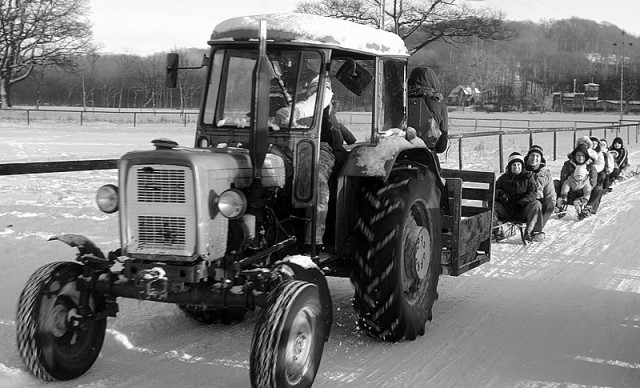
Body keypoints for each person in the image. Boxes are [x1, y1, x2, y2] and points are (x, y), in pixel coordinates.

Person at [276, 76, 355, 253]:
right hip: (291, 147)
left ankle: (313, 241)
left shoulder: (322, 97)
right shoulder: (288, 96)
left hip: (319, 148)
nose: (314, 92)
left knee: (317, 182)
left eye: (316, 89)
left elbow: (315, 103)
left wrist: (291, 113)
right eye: (311, 89)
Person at [494, 152, 542, 242]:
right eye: (514, 165)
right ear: (510, 166)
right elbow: (495, 190)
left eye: (518, 164)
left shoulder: (528, 177)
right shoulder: (503, 178)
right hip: (507, 208)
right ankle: (496, 230)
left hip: (522, 209)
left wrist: (522, 202)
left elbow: (533, 193)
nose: (516, 167)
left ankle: (529, 232)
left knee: (537, 204)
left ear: (522, 165)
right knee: (493, 204)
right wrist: (502, 195)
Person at [406, 66, 449, 161]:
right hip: (427, 156)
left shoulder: (400, 101)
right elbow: (441, 146)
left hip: (401, 154)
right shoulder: (438, 103)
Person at [555, 143, 602, 220]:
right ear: (574, 156)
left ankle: (588, 209)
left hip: (585, 194)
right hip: (568, 192)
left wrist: (583, 191)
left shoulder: (590, 167)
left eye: (583, 155)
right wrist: (569, 190)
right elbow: (563, 179)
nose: (580, 158)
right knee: (556, 183)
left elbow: (593, 182)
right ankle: (558, 206)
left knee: (598, 188)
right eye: (578, 155)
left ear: (586, 157)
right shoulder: (568, 165)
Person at [524, 145, 555, 238]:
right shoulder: (520, 168)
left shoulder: (545, 174)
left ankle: (536, 230)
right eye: (532, 155)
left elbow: (550, 192)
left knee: (549, 203)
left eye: (537, 156)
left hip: (539, 201)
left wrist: (551, 205)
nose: (534, 158)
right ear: (528, 157)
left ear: (541, 158)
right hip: (524, 201)